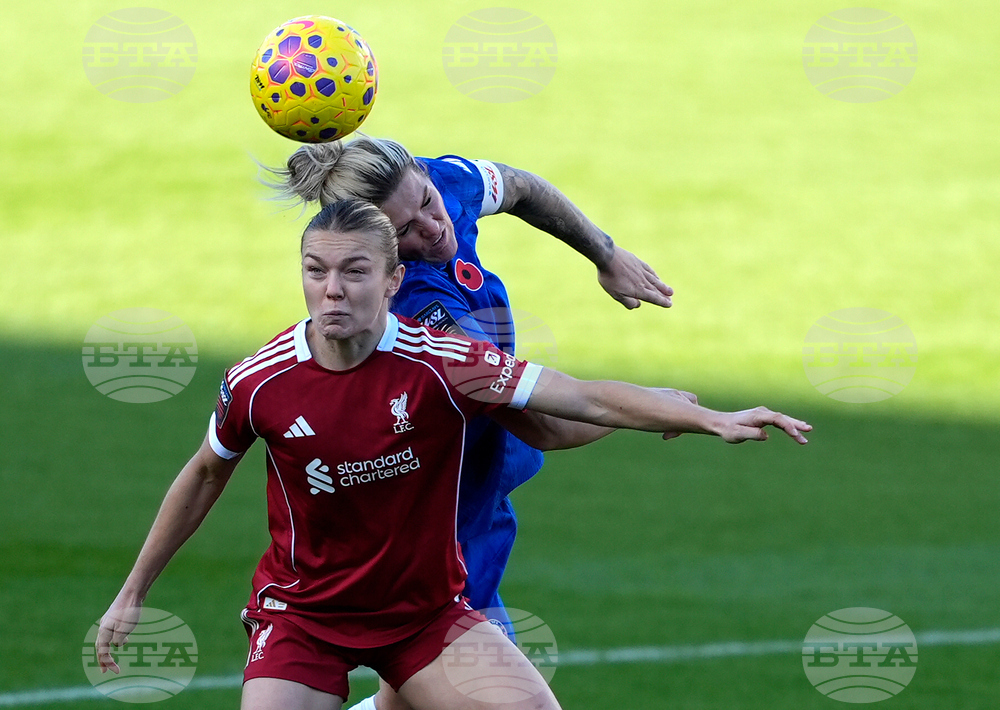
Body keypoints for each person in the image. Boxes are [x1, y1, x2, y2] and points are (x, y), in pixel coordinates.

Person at [96, 199, 811, 710]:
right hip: (303, 617)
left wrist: (705, 417)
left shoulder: (446, 362)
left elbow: (580, 401)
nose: (332, 290)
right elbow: (205, 473)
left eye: (354, 272)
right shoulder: (261, 381)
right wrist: (132, 592)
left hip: (425, 616)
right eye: (316, 270)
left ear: (393, 280)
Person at [270, 136, 673, 710]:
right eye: (405, 232)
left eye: (427, 203)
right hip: (438, 516)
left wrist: (605, 254)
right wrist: (653, 407)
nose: (432, 228)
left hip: (478, 483)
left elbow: (523, 188)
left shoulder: (440, 182)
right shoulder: (415, 301)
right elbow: (539, 422)